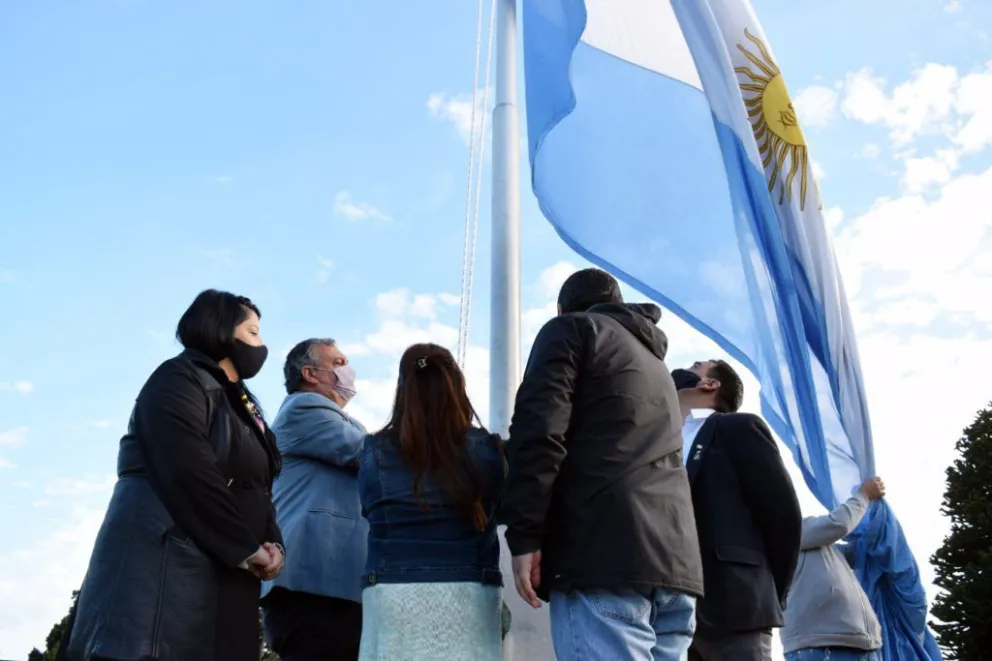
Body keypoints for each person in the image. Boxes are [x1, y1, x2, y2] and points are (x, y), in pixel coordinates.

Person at [65, 289, 284, 661]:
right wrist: (245, 547)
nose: (261, 345)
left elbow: (258, 486)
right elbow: (188, 470)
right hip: (165, 570)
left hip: (225, 570)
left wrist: (272, 542)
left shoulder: (241, 403)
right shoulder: (178, 379)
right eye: (252, 332)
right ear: (219, 329)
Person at [501, 268, 703, 661]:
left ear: (562, 309)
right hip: (675, 566)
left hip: (602, 556)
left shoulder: (570, 330)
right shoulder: (656, 365)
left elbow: (540, 432)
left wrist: (524, 535)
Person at [358, 343, 506, 661]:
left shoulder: (373, 451)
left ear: (403, 391)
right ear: (458, 387)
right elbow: (504, 509)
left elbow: (369, 510)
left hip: (391, 592)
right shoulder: (489, 450)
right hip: (471, 592)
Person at [671, 360, 803, 661]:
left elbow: (782, 515)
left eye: (696, 366)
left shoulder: (737, 426)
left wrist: (763, 590)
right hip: (674, 612)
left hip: (735, 607)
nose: (683, 368)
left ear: (710, 385)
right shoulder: (662, 436)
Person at [262, 338, 368, 661]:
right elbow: (367, 453)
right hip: (313, 582)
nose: (347, 370)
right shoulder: (302, 407)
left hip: (338, 582)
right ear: (310, 373)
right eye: (337, 363)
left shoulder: (343, 420)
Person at [781, 477, 886, 661]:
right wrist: (863, 495)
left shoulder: (815, 544)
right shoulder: (787, 531)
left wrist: (877, 522)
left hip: (856, 645)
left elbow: (856, 554)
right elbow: (838, 524)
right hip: (822, 646)